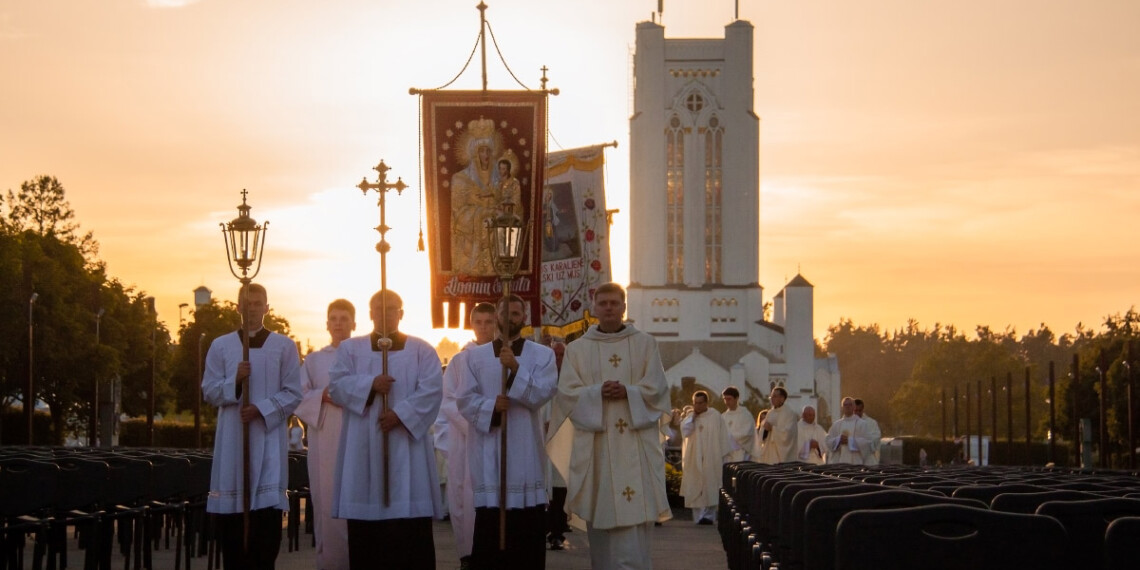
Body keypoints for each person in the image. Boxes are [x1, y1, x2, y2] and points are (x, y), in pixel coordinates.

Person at [547, 282, 672, 570]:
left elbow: (658, 390)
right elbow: (566, 394)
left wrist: (629, 392)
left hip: (635, 445)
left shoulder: (645, 344)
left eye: (614, 303)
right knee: (601, 524)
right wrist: (595, 393)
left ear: (624, 307)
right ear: (594, 308)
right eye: (603, 303)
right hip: (598, 448)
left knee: (634, 526)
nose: (608, 308)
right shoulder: (578, 349)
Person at [328, 290, 443, 570]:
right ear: (369, 313)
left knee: (408, 538)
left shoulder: (422, 350)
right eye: (378, 308)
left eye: (391, 308)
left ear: (401, 313)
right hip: (363, 448)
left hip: (407, 446)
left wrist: (400, 415)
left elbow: (432, 390)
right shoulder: (350, 350)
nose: (384, 313)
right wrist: (369, 385)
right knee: (367, 544)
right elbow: (337, 387)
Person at [202, 283, 302, 570]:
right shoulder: (221, 345)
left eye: (258, 303)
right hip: (234, 442)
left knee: (265, 531)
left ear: (267, 307)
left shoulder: (284, 346)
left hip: (268, 440)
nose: (252, 308)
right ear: (237, 307)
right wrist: (234, 381)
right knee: (233, 533)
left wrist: (262, 409)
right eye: (246, 303)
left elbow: (294, 392)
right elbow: (208, 390)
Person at [457, 294, 558, 569]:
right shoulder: (473, 357)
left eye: (515, 314)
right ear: (496, 316)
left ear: (523, 318)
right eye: (504, 313)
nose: (509, 319)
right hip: (491, 454)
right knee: (491, 533)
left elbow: (542, 394)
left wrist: (515, 369)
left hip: (526, 455)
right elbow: (464, 399)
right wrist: (490, 407)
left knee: (526, 541)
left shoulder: (543, 355)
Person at [294, 298, 356, 570]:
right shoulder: (315, 360)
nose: (339, 323)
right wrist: (324, 396)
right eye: (334, 318)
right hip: (325, 444)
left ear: (354, 323)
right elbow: (297, 395)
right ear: (327, 324)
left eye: (344, 318)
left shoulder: (363, 356)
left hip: (358, 440)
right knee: (328, 507)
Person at [434, 301, 496, 569]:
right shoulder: (461, 360)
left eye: (489, 322)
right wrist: (480, 420)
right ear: (472, 325)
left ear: (497, 323)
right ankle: (468, 554)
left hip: (499, 436)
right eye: (479, 322)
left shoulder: (504, 357)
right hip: (468, 437)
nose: (483, 328)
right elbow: (449, 401)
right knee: (465, 494)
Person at [450, 118, 501, 275]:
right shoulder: (460, 179)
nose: (485, 155)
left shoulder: (500, 179)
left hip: (496, 241)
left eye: (488, 151)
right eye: (481, 151)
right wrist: (482, 213)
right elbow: (458, 214)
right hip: (471, 243)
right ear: (473, 153)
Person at [680, 391, 734, 525]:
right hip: (695, 458)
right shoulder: (690, 417)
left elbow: (723, 435)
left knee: (711, 484)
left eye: (700, 403)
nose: (697, 406)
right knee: (695, 484)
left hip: (711, 457)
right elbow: (685, 431)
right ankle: (698, 517)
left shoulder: (715, 416)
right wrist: (693, 417)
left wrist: (722, 455)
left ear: (706, 403)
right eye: (695, 403)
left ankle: (709, 516)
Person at [752, 387, 797, 464]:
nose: (772, 399)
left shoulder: (789, 414)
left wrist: (773, 429)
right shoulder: (770, 413)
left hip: (781, 455)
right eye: (771, 396)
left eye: (775, 396)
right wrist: (764, 428)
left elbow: (788, 434)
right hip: (769, 451)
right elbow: (763, 432)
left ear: (782, 399)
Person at [826, 397, 868, 464]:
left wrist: (849, 441)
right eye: (845, 405)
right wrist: (838, 440)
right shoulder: (836, 424)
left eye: (850, 404)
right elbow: (828, 441)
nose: (847, 407)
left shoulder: (862, 424)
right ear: (842, 408)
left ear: (854, 407)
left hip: (855, 462)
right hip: (838, 462)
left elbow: (866, 442)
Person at [720, 387, 755, 462]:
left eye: (729, 399)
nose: (726, 402)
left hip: (741, 453)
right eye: (725, 399)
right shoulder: (723, 416)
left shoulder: (745, 414)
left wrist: (729, 438)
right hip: (727, 455)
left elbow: (747, 433)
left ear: (736, 398)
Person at [853, 399, 882, 466]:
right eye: (855, 411)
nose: (857, 413)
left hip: (868, 460)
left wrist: (860, 442)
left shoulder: (871, 423)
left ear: (863, 410)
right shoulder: (846, 423)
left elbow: (876, 438)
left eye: (859, 411)